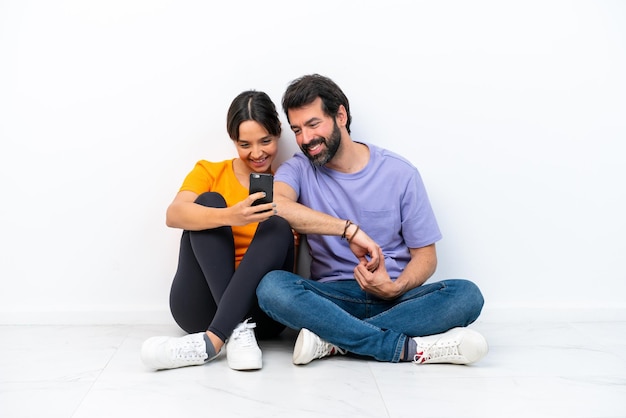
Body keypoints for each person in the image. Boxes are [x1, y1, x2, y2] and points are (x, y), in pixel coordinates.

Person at [256, 74, 488, 366]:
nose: (305, 139)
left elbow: (426, 256)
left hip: (395, 297)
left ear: (341, 115)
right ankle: (400, 346)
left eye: (313, 125)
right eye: (297, 130)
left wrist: (397, 286)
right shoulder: (299, 169)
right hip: (332, 298)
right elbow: (273, 204)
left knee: (466, 295)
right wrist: (348, 230)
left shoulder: (400, 173)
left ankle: (334, 340)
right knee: (271, 288)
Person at [141, 90, 295, 371]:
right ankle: (235, 329)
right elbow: (173, 214)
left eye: (266, 141)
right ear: (233, 141)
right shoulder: (210, 171)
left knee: (276, 224)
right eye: (244, 144)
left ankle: (214, 340)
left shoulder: (289, 181)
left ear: (278, 133)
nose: (257, 153)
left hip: (263, 313)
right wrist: (230, 216)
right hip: (200, 307)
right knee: (207, 204)